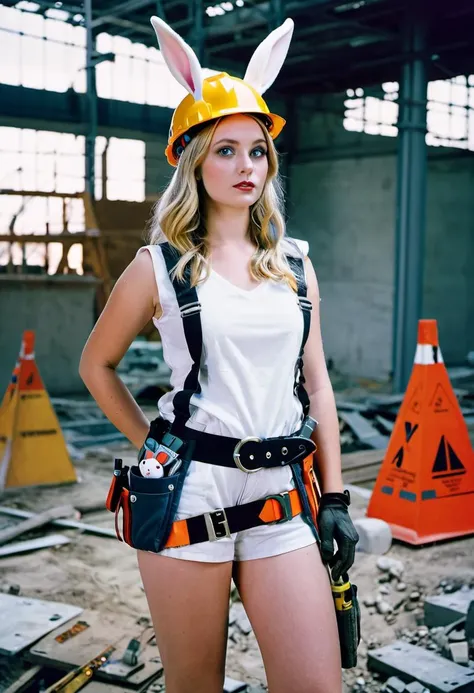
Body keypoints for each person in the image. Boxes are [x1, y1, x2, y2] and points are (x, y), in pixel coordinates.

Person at [79, 15, 359, 693]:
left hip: (280, 495)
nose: (245, 166)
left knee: (317, 685)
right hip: (186, 491)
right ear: (194, 160)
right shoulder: (159, 266)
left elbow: (317, 387)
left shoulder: (295, 265)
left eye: (257, 150)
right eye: (225, 150)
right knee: (195, 684)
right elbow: (97, 365)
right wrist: (151, 442)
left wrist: (338, 495)